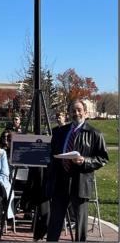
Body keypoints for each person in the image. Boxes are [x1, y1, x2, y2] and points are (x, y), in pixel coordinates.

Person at [46, 99, 109, 242]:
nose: (76, 113)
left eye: (79, 110)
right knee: (54, 222)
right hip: (60, 182)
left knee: (80, 223)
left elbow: (103, 158)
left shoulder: (94, 133)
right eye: (73, 110)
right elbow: (51, 153)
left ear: (85, 113)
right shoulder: (59, 132)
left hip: (80, 182)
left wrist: (85, 161)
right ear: (68, 113)